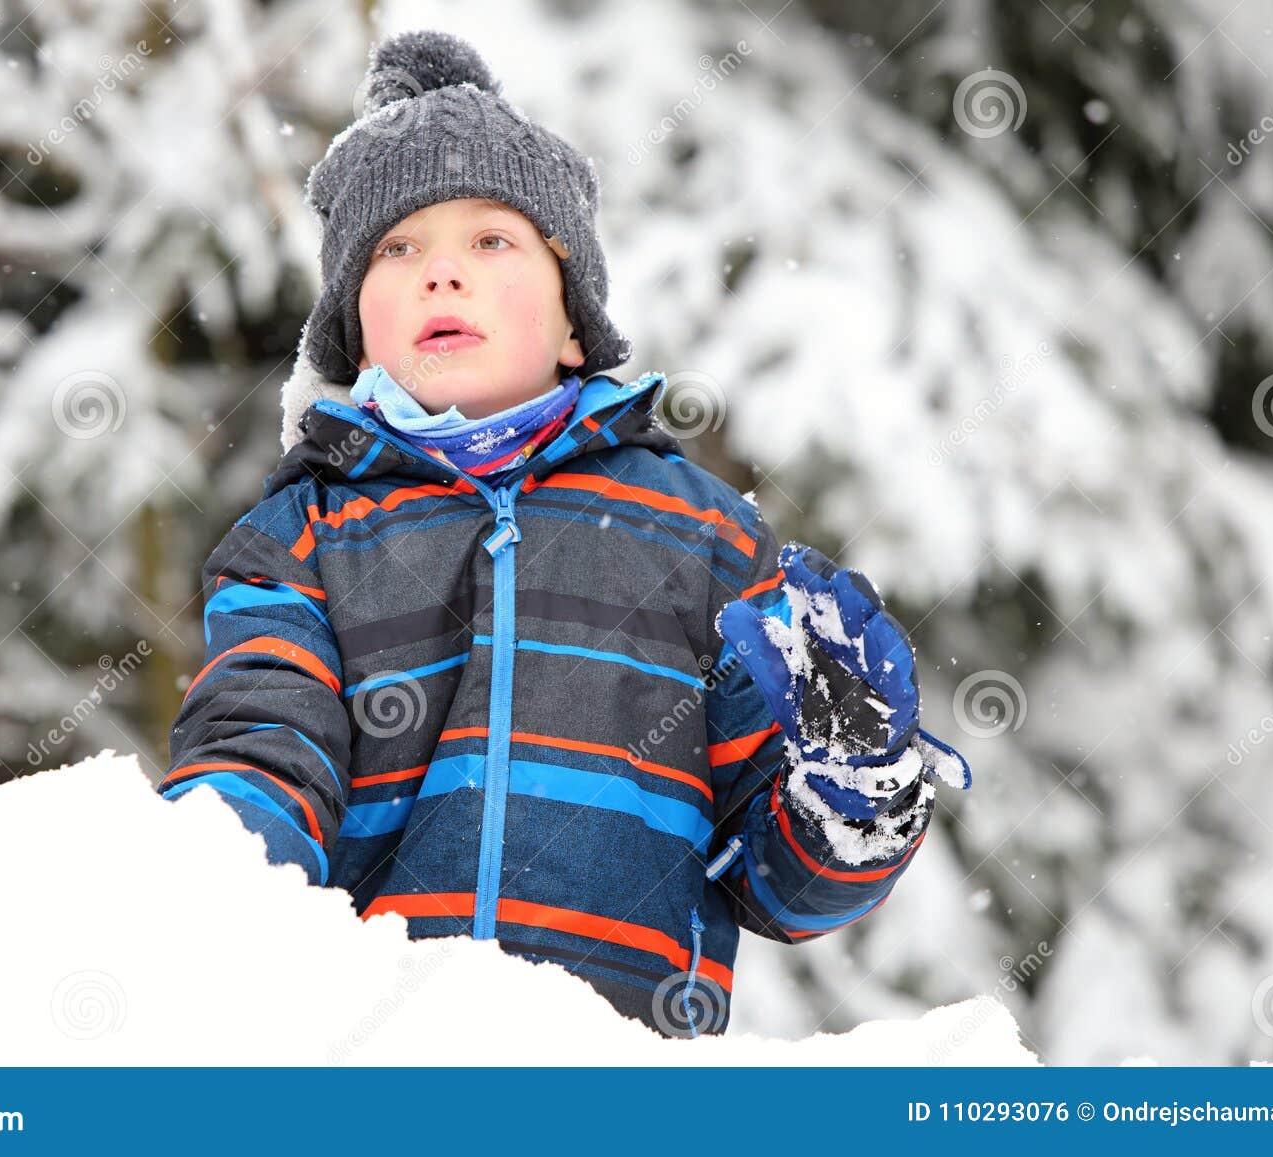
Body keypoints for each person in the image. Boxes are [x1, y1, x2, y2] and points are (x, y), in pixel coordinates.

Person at [162, 29, 971, 1038]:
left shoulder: (703, 540)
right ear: (350, 327)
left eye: (489, 242)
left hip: (614, 1068)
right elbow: (261, 744)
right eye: (396, 249)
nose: (439, 275)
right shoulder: (299, 537)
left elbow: (778, 889)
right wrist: (201, 876)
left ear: (575, 322)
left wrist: (853, 788)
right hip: (365, 1060)